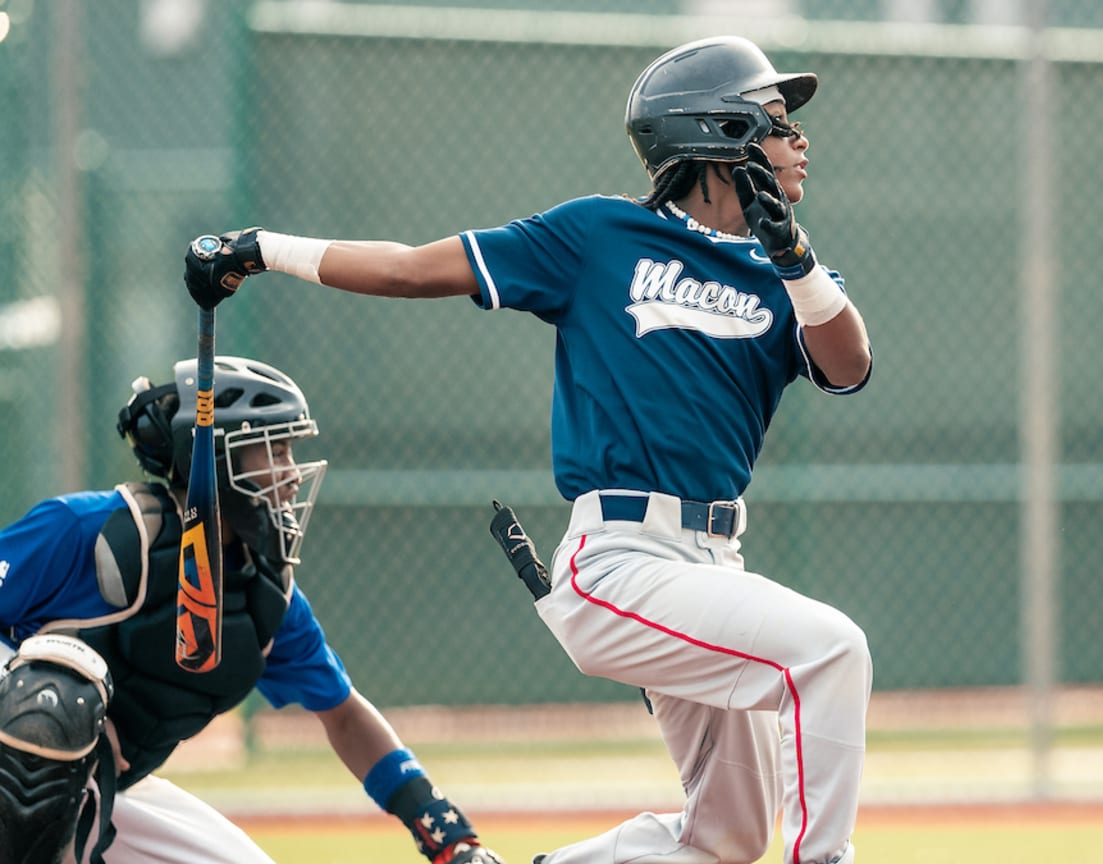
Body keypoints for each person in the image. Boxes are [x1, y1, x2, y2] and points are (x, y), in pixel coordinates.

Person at [184, 34, 873, 864]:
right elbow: (409, 270)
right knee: (832, 652)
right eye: (774, 119)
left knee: (725, 840)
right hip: (621, 561)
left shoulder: (788, 271)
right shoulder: (598, 236)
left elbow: (848, 365)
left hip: (712, 566)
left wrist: (793, 257)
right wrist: (264, 249)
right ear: (717, 132)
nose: (799, 139)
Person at [0, 356, 504, 864]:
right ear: (215, 457)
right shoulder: (90, 530)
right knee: (59, 697)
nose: (291, 475)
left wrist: (444, 833)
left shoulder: (265, 594)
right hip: (20, 776)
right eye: (275, 450)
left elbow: (344, 715)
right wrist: (64, 714)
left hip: (105, 792)